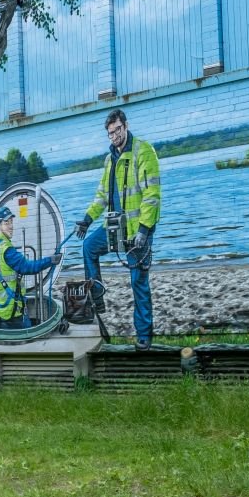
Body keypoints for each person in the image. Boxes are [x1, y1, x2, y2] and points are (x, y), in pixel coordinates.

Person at [74, 108, 161, 349]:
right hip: (114, 228)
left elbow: (152, 195)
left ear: (126, 125)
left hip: (137, 231)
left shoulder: (144, 151)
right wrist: (87, 219)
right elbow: (102, 195)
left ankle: (144, 337)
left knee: (138, 283)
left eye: (118, 130)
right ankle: (98, 299)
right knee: (89, 247)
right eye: (110, 134)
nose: (114, 137)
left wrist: (144, 229)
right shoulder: (109, 159)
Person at [0, 206, 62, 329]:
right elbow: (28, 267)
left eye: (11, 222)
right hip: (13, 310)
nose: (11, 226)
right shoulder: (8, 251)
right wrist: (50, 260)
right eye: (6, 223)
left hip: (2, 307)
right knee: (29, 331)